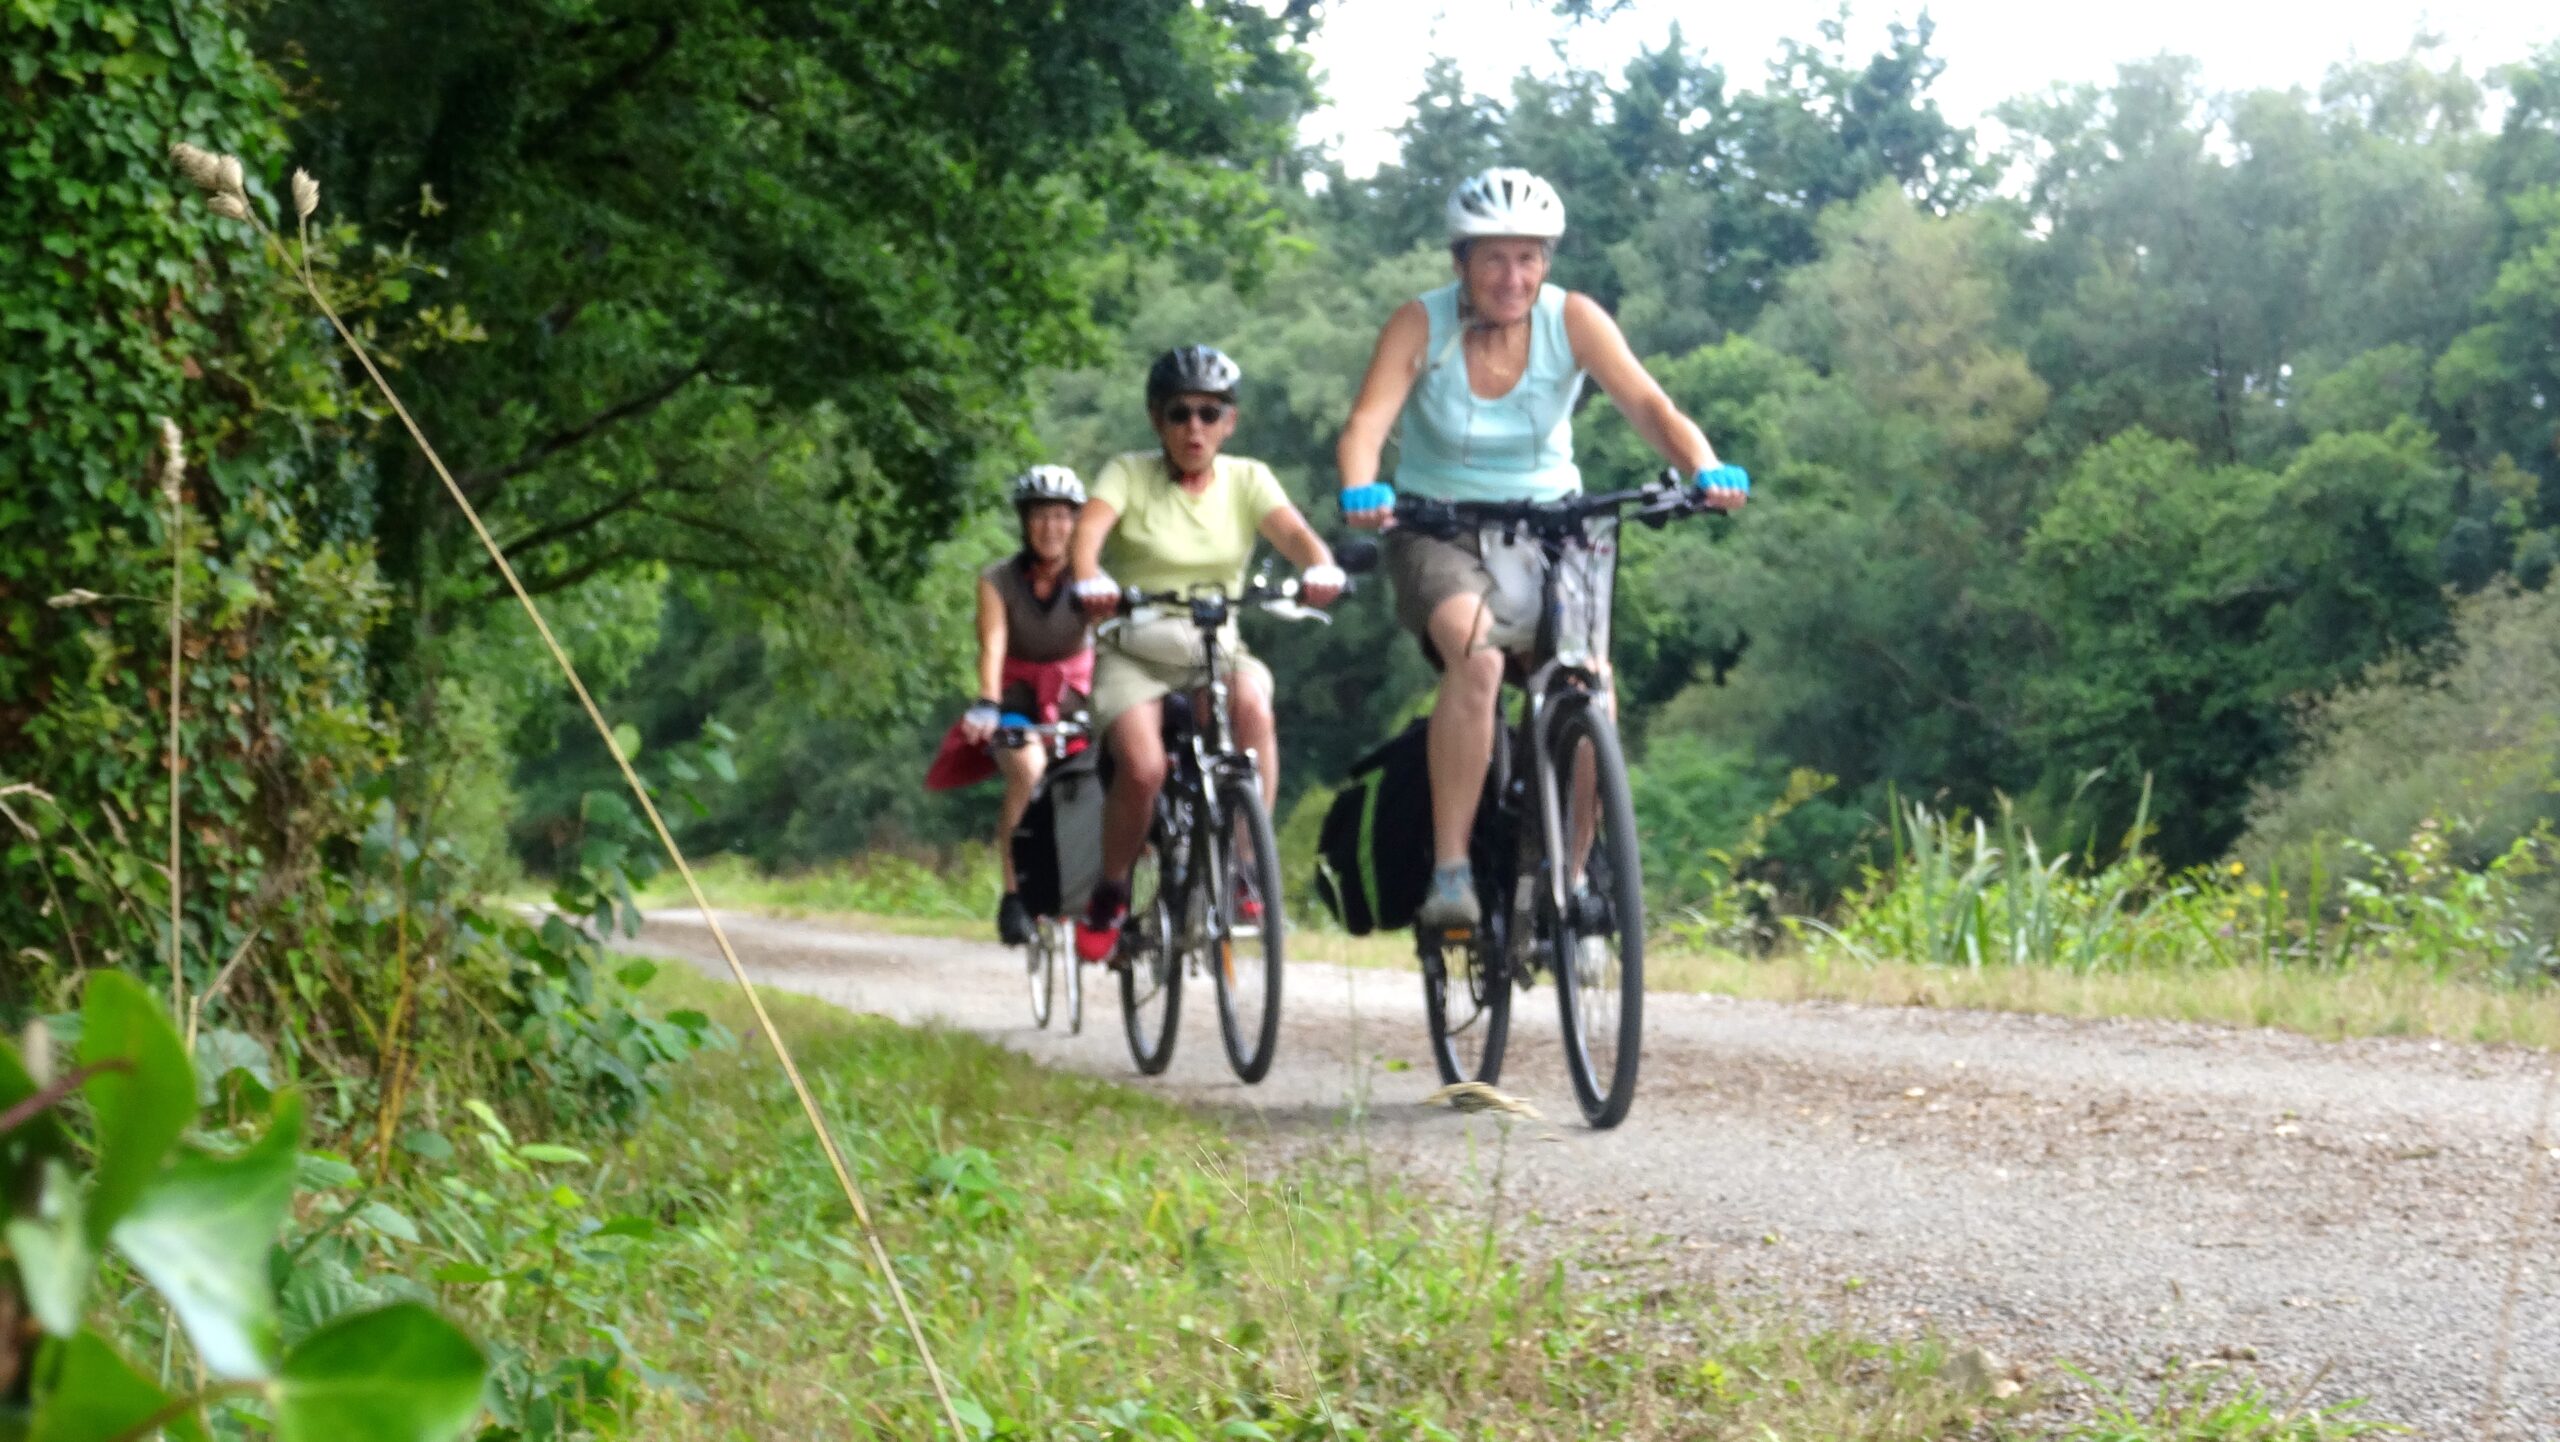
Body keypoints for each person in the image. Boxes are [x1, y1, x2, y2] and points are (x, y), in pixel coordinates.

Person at [1334, 166, 1751, 930]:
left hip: (1554, 526)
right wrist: (1364, 487)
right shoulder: (1419, 325)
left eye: (1529, 257)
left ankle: (1571, 873)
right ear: (1460, 261)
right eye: (1493, 257)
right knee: (1481, 657)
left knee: (1589, 684)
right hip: (1440, 528)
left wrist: (1704, 465)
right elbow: (1366, 423)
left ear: (1547, 262)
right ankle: (1452, 872)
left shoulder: (1573, 319)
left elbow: (1651, 405)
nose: (1512, 275)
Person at [1068, 345, 1343, 962]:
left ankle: (1247, 868)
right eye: (1179, 413)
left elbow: (1295, 534)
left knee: (1255, 705)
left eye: (1209, 413)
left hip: (1215, 646)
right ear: (1155, 419)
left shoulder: (1248, 479)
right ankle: (1111, 890)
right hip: (1134, 649)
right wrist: (1090, 578)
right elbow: (1089, 531)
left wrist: (1320, 566)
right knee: (1143, 770)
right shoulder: (1128, 473)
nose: (1195, 428)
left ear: (1230, 421)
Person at [922, 465, 1094, 945]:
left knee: (1104, 777)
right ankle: (1015, 894)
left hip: (1074, 699)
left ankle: (1098, 891)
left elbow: (1109, 635)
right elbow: (993, 643)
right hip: (1015, 701)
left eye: (1062, 516)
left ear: (1076, 522)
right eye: (1040, 516)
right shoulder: (997, 580)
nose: (1051, 528)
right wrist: (987, 701)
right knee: (1028, 767)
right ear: (1024, 521)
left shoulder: (1090, 577)